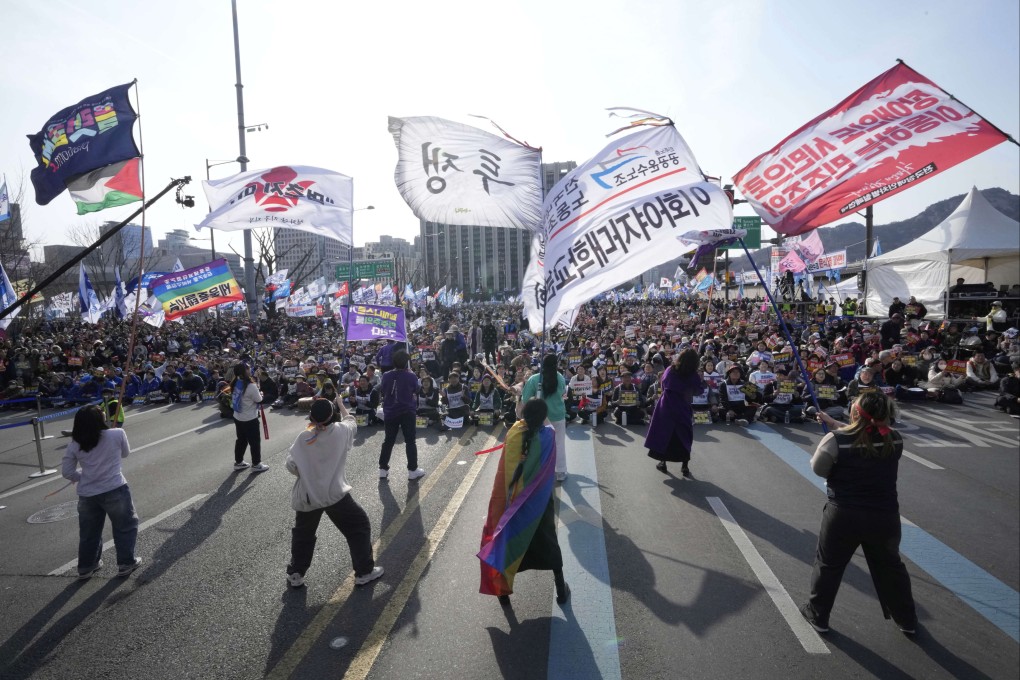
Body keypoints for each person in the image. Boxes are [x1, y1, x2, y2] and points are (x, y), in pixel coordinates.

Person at [800, 392, 917, 636]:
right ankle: (906, 619)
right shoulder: (894, 438)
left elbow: (819, 469)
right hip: (884, 515)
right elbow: (867, 434)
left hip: (844, 514)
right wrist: (835, 425)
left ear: (855, 412)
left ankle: (818, 615)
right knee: (891, 567)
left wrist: (833, 431)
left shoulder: (835, 440)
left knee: (829, 565)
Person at [478, 397, 569, 606]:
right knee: (549, 545)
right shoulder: (549, 436)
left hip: (514, 506)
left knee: (510, 545)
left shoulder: (514, 433)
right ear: (542, 417)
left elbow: (505, 473)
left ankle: (503, 595)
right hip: (540, 505)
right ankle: (561, 590)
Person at [284, 398, 383, 588]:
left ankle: (296, 573)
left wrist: (308, 469)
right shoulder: (341, 431)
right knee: (358, 526)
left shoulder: (304, 437)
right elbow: (351, 420)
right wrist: (340, 403)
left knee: (303, 534)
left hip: (308, 496)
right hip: (334, 494)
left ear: (312, 416)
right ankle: (364, 572)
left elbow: (291, 466)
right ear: (332, 415)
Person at [61, 404, 142, 580]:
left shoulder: (75, 443)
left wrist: (82, 475)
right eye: (102, 412)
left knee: (89, 531)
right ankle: (126, 563)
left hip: (88, 493)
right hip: (115, 488)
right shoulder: (117, 434)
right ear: (100, 418)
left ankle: (86, 567)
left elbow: (67, 472)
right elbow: (125, 454)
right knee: (125, 527)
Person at [644, 348, 705, 477]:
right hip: (683, 407)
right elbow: (698, 391)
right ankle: (685, 466)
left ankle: (663, 462)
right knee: (684, 436)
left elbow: (663, 384)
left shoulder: (671, 370)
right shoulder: (693, 375)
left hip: (666, 406)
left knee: (665, 434)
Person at [520, 354, 568, 482]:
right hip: (558, 415)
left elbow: (525, 399)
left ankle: (541, 472)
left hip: (539, 417)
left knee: (539, 445)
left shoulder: (534, 379)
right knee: (559, 443)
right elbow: (563, 392)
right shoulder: (561, 378)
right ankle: (561, 471)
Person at [378, 350, 425, 481]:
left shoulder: (386, 375)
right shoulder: (411, 376)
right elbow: (417, 389)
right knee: (410, 441)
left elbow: (382, 389)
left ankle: (382, 469)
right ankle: (412, 470)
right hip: (406, 411)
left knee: (388, 440)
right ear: (406, 363)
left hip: (390, 411)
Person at [231, 363, 267, 472]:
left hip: (238, 416)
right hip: (249, 418)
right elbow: (259, 399)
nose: (250, 369)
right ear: (245, 371)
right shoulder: (250, 386)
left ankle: (238, 462)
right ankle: (256, 464)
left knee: (241, 440)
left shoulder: (235, 382)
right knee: (254, 442)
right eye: (248, 368)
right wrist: (261, 393)